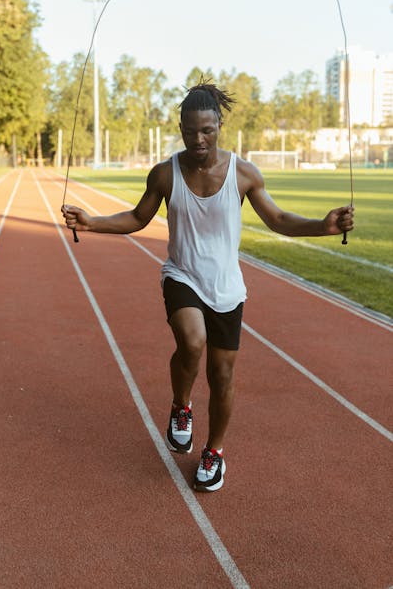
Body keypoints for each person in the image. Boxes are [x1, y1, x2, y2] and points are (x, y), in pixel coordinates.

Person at [61, 82, 354, 493]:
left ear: (219, 125)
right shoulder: (165, 173)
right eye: (190, 131)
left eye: (207, 131)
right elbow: (137, 217)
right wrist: (92, 222)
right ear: (180, 128)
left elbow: (279, 220)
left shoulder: (244, 174)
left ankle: (214, 452)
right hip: (181, 276)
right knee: (192, 341)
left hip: (227, 288)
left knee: (222, 375)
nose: (198, 140)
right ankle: (182, 407)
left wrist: (323, 227)